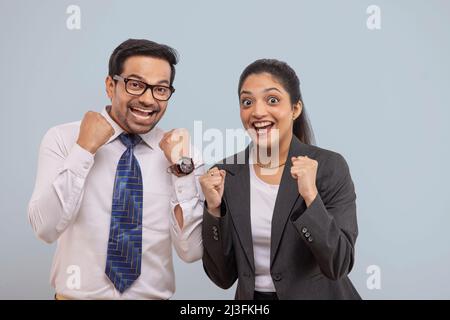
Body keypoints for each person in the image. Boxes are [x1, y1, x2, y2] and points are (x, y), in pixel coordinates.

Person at [28, 39, 204, 299]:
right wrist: (84, 150)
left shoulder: (183, 156)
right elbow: (45, 228)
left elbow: (192, 251)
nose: (148, 99)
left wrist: (182, 171)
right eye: (135, 85)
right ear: (111, 85)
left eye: (161, 89)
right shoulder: (64, 139)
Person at [200, 59, 361, 300]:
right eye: (247, 102)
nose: (257, 112)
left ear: (295, 109)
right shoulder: (225, 174)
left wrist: (311, 198)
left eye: (272, 100)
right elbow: (222, 277)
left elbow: (338, 264)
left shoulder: (329, 167)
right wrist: (213, 210)